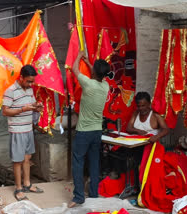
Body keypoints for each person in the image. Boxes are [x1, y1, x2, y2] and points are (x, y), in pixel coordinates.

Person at [68, 51, 110, 208]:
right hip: (97, 131)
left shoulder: (88, 83)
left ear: (94, 73)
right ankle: (93, 193)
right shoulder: (105, 86)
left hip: (84, 131)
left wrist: (79, 56)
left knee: (78, 162)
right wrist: (89, 63)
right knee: (94, 162)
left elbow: (74, 69)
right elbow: (98, 74)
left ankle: (79, 196)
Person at [2, 65, 44, 201]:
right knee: (18, 161)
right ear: (21, 78)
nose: (31, 84)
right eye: (29, 81)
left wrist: (36, 107)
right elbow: (5, 111)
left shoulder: (30, 90)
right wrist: (22, 109)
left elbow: (31, 106)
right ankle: (18, 188)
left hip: (28, 130)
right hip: (17, 130)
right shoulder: (11, 91)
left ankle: (27, 184)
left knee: (27, 159)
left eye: (32, 81)